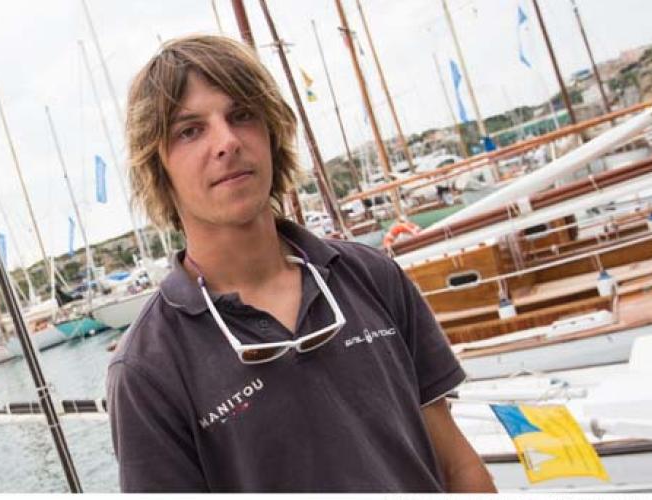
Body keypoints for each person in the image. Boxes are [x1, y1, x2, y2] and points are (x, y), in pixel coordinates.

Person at [107, 34, 496, 493]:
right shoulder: (147, 370)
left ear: (271, 133)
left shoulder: (371, 276)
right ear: (158, 166)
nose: (227, 141)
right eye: (190, 131)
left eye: (242, 115)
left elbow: (456, 466)